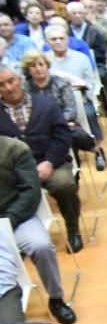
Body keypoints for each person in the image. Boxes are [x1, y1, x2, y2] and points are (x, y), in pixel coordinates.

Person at [0, 64, 82, 253]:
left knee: (64, 185)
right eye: (2, 84)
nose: (9, 87)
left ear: (19, 80)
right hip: (14, 170)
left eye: (11, 81)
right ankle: (17, 238)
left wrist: (50, 162)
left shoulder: (46, 105)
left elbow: (63, 137)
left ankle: (72, 228)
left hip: (49, 161)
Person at [0, 134, 76, 324]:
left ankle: (56, 298)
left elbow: (31, 191)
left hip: (17, 217)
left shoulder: (14, 149)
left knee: (41, 246)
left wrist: (10, 219)